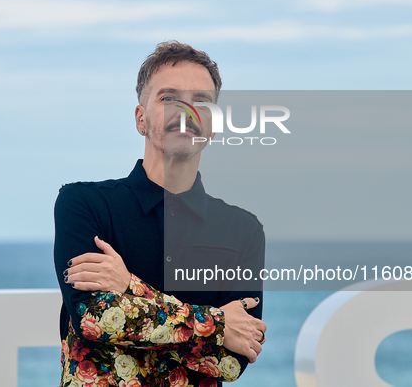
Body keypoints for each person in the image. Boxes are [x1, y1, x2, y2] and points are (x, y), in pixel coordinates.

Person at [54, 41, 267, 387]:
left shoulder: (242, 230)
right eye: (169, 98)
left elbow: (232, 362)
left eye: (201, 100)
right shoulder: (84, 204)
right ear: (141, 119)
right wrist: (218, 326)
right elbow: (94, 318)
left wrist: (128, 287)